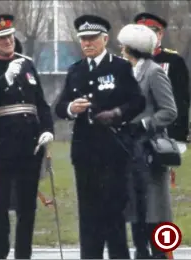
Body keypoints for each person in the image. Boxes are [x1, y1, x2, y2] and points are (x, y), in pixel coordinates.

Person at [54, 15, 145, 259]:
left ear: (105, 39)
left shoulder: (120, 67)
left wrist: (117, 113)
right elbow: (59, 106)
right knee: (89, 214)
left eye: (92, 38)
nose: (87, 43)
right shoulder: (76, 70)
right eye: (83, 39)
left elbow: (137, 101)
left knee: (114, 212)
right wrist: (72, 108)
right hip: (85, 152)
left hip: (113, 150)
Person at [0, 14, 54, 259]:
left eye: (9, 36)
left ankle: (23, 255)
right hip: (2, 143)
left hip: (30, 144)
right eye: (1, 38)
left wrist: (47, 129)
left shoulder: (27, 63)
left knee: (27, 207)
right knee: (0, 206)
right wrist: (4, 79)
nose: (7, 41)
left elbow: (40, 103)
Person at [118, 24, 178, 259]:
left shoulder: (154, 72)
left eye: (123, 46)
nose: (120, 49)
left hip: (149, 149)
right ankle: (141, 253)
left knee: (154, 211)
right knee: (135, 210)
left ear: (131, 48)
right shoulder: (128, 73)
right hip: (129, 148)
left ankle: (159, 255)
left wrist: (145, 123)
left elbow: (169, 111)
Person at [134, 12, 190, 148]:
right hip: (136, 129)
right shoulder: (129, 62)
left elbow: (182, 97)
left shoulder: (173, 60)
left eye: (151, 32)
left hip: (166, 128)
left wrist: (178, 130)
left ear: (160, 34)